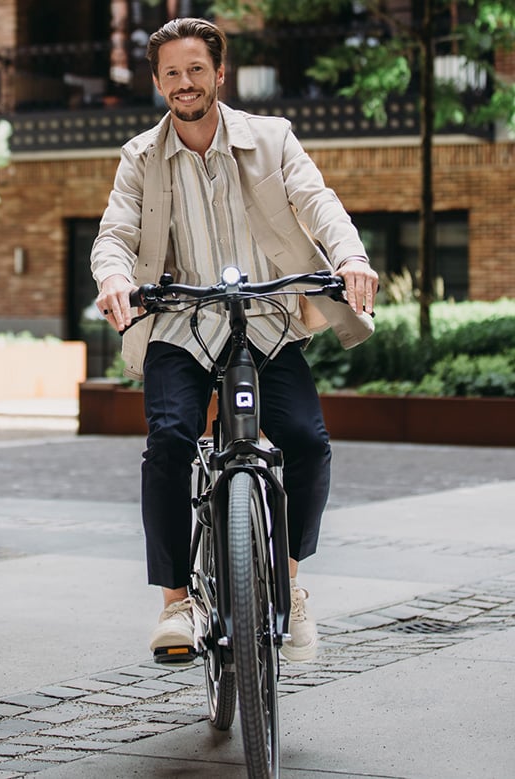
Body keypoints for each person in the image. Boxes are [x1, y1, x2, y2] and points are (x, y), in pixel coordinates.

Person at [91, 17, 378, 663]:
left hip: (265, 320)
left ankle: (292, 586)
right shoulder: (140, 155)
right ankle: (175, 603)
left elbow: (319, 201)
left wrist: (350, 257)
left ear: (219, 73)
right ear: (158, 80)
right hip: (180, 323)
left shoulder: (271, 138)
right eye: (171, 72)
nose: (184, 82)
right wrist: (113, 276)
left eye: (196, 69)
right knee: (168, 442)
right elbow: (116, 230)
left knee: (306, 441)